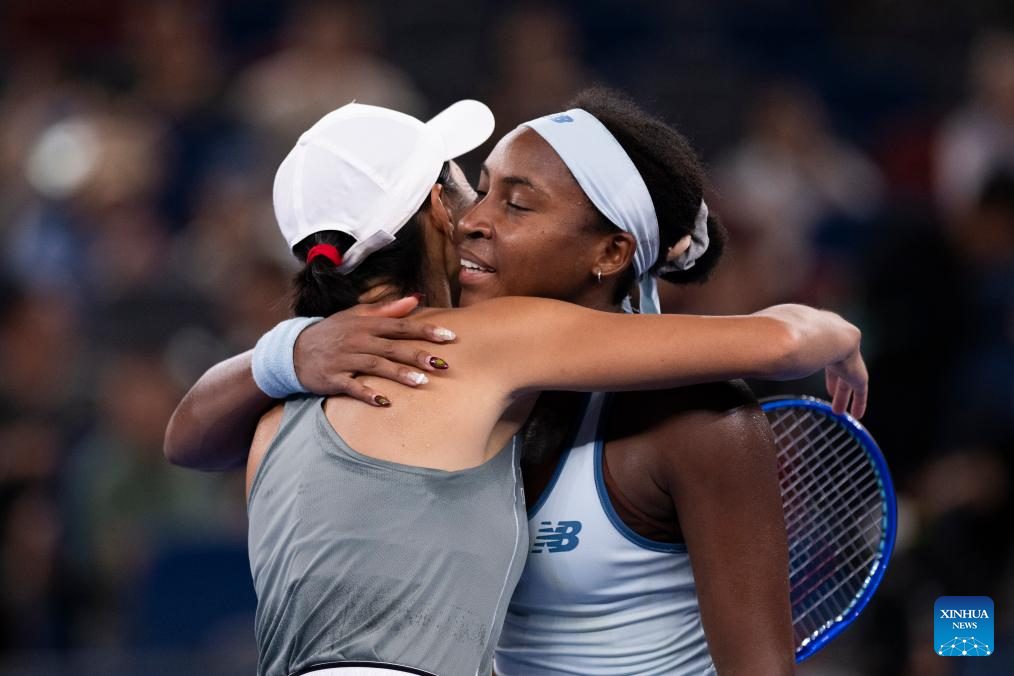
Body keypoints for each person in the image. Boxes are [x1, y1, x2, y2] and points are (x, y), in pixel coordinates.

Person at [167, 99, 866, 676]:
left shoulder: (703, 423)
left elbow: (187, 437)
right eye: (476, 189)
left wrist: (285, 349)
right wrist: (290, 350)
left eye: (517, 205)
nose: (474, 219)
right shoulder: (453, 367)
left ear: (612, 251)